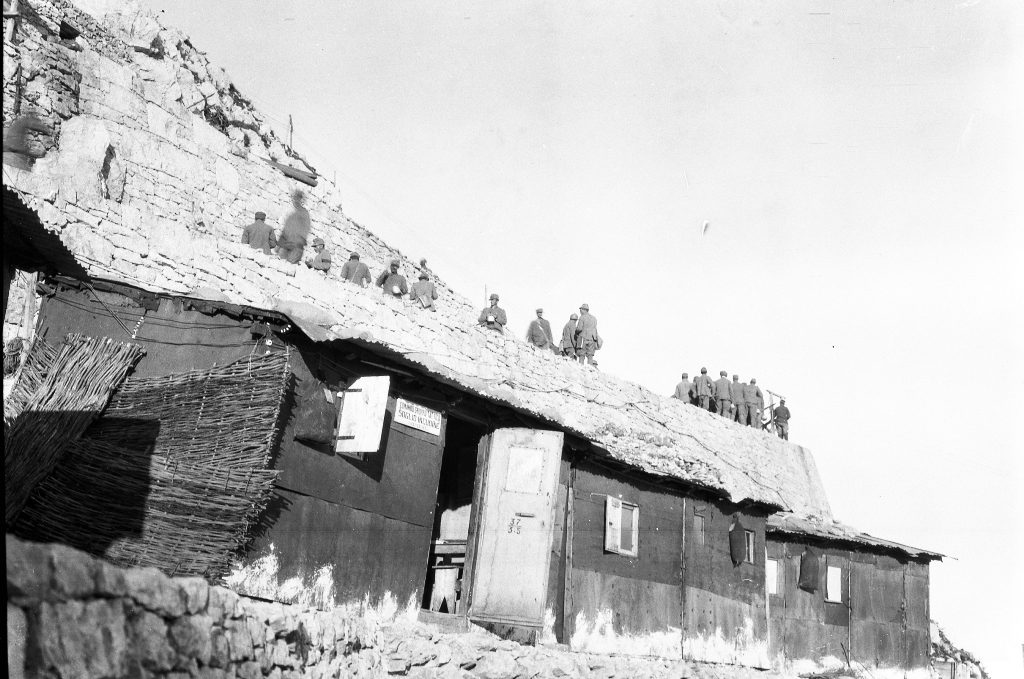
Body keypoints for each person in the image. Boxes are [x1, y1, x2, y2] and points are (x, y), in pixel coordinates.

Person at [277, 189, 311, 264]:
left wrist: (299, 241)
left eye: (297, 198)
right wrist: (278, 246)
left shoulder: (304, 214)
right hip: (286, 245)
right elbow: (285, 231)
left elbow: (306, 229)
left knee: (289, 268)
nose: (295, 201)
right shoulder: (291, 216)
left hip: (296, 246)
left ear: (301, 200)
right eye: (294, 199)